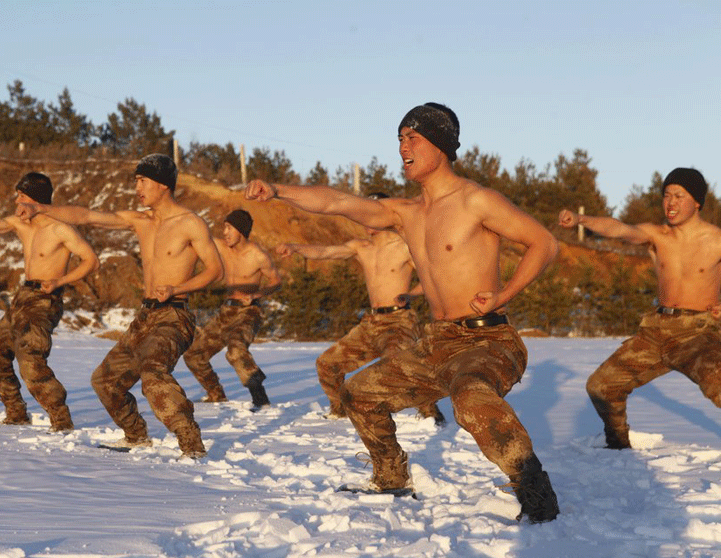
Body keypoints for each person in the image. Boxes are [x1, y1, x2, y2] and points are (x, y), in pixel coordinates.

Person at [245, 102, 560, 523]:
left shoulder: (476, 201)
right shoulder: (405, 212)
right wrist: (279, 190)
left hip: (487, 339)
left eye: (413, 137)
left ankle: (535, 493)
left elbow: (544, 243)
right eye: (399, 138)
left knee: (470, 400)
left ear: (442, 145)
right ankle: (391, 476)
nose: (402, 146)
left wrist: (504, 294)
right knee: (358, 393)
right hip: (436, 342)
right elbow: (337, 202)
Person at [18, 155, 223, 458]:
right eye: (136, 181)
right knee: (105, 381)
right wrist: (42, 208)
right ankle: (136, 436)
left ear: (163, 184)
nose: (137, 187)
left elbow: (215, 270)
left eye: (143, 181)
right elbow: (88, 216)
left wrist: (177, 288)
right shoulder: (141, 220)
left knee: (154, 372)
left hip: (174, 315)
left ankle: (192, 447)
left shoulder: (189, 223)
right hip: (145, 316)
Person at [559, 167, 721, 449]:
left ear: (697, 201)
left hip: (698, 333)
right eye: (667, 195)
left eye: (679, 196)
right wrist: (581, 219)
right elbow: (620, 229)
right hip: (656, 331)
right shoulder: (657, 235)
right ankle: (618, 447)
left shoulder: (716, 240)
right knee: (602, 386)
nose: (671, 202)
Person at [0, 172, 98, 432]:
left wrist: (60, 282)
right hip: (22, 298)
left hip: (45, 300)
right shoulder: (21, 225)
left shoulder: (60, 228)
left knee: (30, 359)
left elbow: (91, 260)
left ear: (37, 200)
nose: (17, 201)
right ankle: (16, 413)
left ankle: (62, 422)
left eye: (22, 196)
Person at [277, 193, 445, 425]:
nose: (364, 219)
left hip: (399, 321)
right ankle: (340, 411)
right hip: (371, 323)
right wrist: (296, 247)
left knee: (396, 364)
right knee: (327, 364)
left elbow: (431, 277)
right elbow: (327, 252)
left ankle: (430, 412)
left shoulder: (403, 247)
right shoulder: (361, 247)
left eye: (370, 213)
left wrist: (410, 294)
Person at [183, 209, 281, 411]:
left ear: (241, 231)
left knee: (236, 350)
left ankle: (260, 399)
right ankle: (216, 395)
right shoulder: (220, 247)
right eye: (224, 227)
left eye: (229, 228)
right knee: (194, 355)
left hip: (248, 312)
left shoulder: (258, 255)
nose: (225, 232)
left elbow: (276, 281)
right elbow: (197, 236)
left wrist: (256, 295)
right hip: (225, 312)